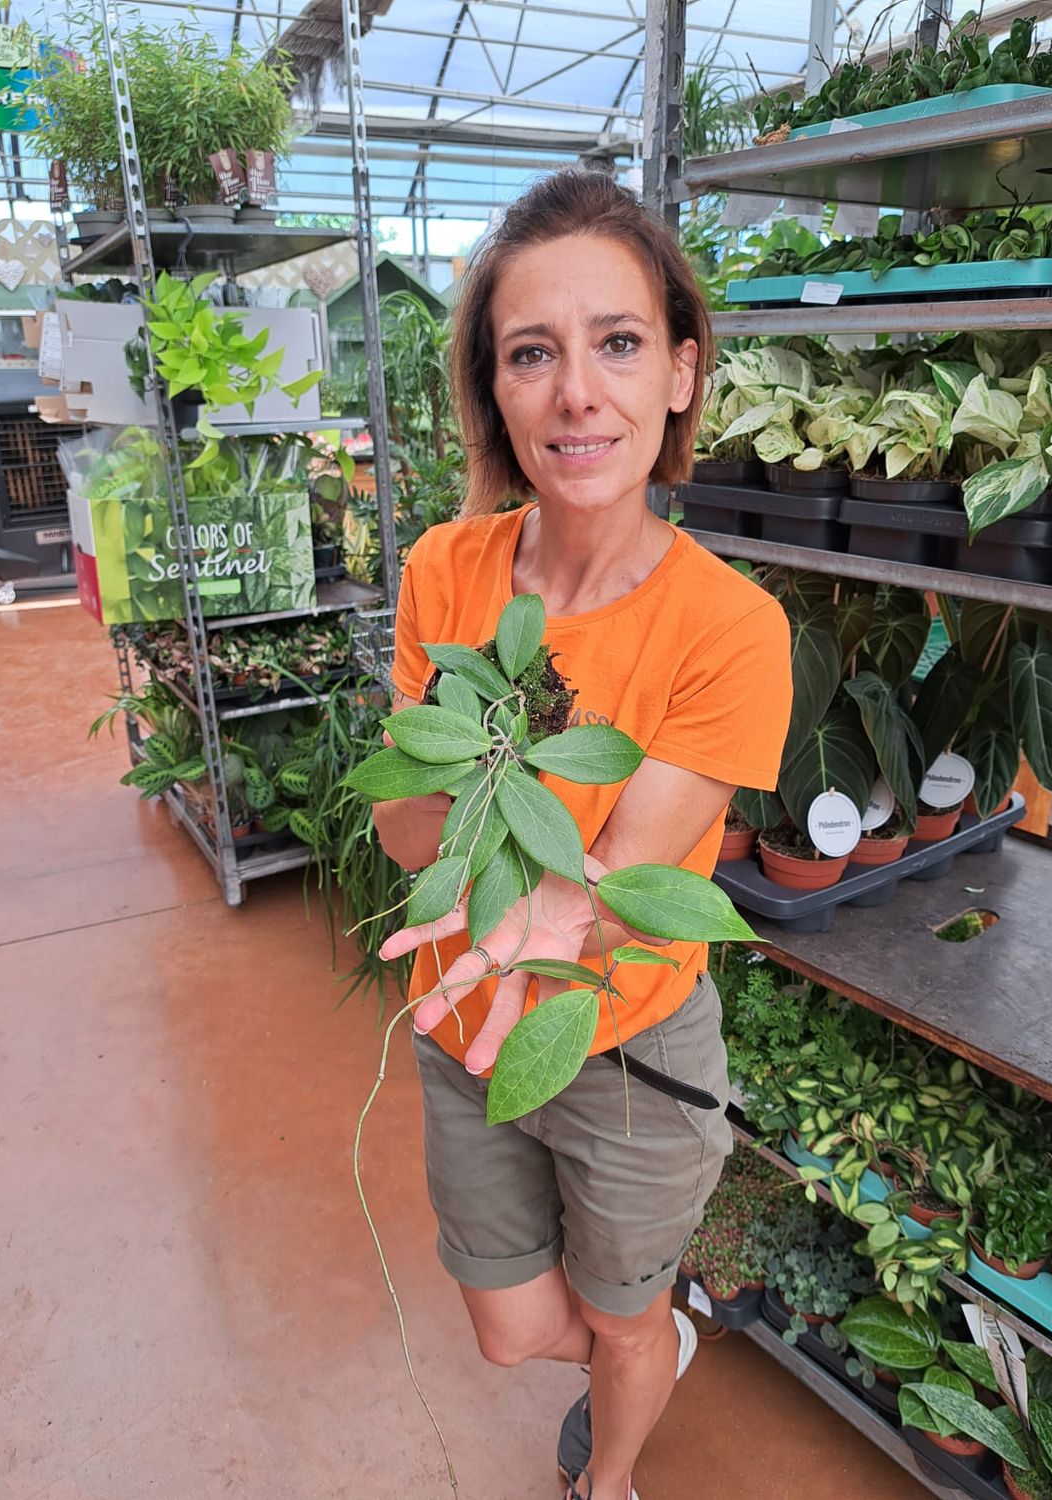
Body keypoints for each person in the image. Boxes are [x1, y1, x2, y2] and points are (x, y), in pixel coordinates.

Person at [373, 170, 792, 1500]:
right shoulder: (448, 570)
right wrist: (475, 776)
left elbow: (627, 877)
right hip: (461, 1016)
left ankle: (609, 1472)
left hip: (623, 1046)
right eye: (529, 354)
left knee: (612, 1319)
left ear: (677, 371)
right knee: (511, 1330)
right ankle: (645, 1342)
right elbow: (398, 826)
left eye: (616, 344)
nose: (576, 394)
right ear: (492, 390)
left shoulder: (729, 629)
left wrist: (546, 897)